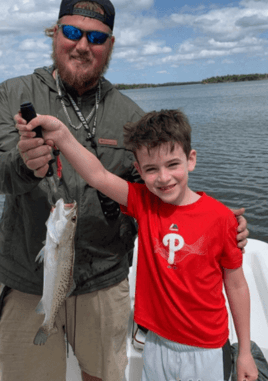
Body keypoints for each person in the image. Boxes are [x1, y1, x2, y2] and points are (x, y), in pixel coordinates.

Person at [0, 0, 247, 381]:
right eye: (72, 32)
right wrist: (22, 164)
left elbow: (160, 190)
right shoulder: (14, 93)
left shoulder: (130, 114)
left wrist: (215, 217)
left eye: (96, 38)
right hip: (30, 282)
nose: (83, 45)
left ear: (109, 45)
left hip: (105, 283)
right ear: (54, 33)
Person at [16, 108, 258, 381]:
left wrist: (245, 351)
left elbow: (236, 284)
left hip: (207, 347)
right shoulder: (144, 203)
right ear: (139, 170)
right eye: (151, 169)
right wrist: (60, 134)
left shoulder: (223, 219)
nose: (164, 178)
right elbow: (98, 176)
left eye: (172, 164)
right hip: (155, 343)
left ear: (191, 159)